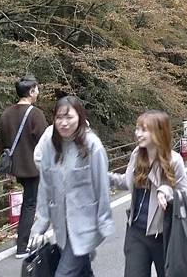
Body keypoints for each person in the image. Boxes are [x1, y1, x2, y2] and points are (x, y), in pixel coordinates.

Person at [29, 96, 114, 277]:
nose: (64, 123)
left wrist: (104, 220)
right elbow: (45, 188)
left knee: (64, 274)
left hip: (85, 226)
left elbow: (102, 186)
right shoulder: (50, 146)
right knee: (83, 272)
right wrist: (40, 225)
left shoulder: (93, 146)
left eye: (69, 117)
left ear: (80, 117)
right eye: (59, 118)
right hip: (62, 226)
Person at [109, 110, 187, 277]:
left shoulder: (174, 160)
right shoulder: (137, 154)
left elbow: (184, 196)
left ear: (159, 132)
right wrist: (105, 177)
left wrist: (166, 191)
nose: (138, 134)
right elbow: (126, 182)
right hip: (136, 232)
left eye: (144, 130)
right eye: (137, 129)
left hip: (164, 235)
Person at [0, 75, 48, 258]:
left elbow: (2, 142)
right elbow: (45, 142)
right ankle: (22, 245)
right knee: (29, 204)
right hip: (33, 167)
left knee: (29, 202)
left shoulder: (6, 113)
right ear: (31, 92)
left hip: (15, 167)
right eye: (37, 89)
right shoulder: (36, 114)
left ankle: (26, 238)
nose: (38, 92)